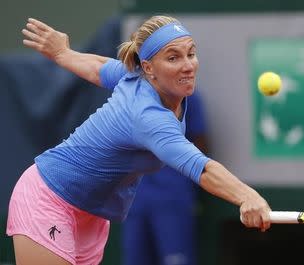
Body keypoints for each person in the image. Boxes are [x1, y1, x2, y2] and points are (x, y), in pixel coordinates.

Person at [6, 15, 271, 265]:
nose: (188, 65)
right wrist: (247, 196)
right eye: (173, 57)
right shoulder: (149, 117)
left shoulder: (133, 76)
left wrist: (64, 54)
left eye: (191, 53)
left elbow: (99, 68)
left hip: (88, 214)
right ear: (149, 67)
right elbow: (200, 167)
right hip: (49, 198)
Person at [122, 91, 208, 265]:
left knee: (176, 259)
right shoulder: (129, 96)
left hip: (173, 195)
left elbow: (200, 143)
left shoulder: (187, 97)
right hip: (136, 198)